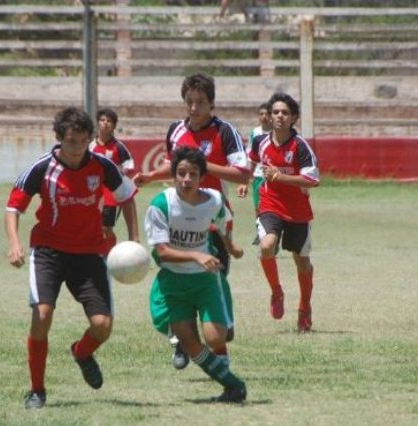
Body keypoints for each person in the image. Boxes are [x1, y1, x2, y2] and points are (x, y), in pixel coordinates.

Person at [5, 106, 139, 410]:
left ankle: (81, 352)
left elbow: (127, 197)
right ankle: (37, 390)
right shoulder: (42, 168)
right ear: (59, 139)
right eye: (70, 142)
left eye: (82, 141)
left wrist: (134, 241)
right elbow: (13, 208)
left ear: (89, 139)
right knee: (42, 316)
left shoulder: (102, 166)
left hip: (90, 253)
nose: (76, 148)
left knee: (103, 325)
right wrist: (14, 244)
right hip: (49, 252)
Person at [133, 73, 250, 370]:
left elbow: (242, 174)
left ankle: (221, 324)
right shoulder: (176, 130)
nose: (194, 108)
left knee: (215, 277)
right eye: (189, 102)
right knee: (179, 277)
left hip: (214, 218)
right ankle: (184, 343)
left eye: (200, 102)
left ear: (211, 104)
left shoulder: (225, 132)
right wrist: (150, 176)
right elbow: (174, 167)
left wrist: (201, 163)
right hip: (179, 219)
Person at [144, 146, 246, 403]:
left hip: (204, 280)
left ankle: (229, 382)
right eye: (181, 173)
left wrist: (230, 246)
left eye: (193, 174)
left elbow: (222, 222)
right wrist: (196, 255)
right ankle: (233, 386)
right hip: (173, 283)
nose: (186, 179)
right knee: (190, 344)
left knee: (216, 337)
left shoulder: (213, 200)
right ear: (173, 175)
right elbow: (163, 252)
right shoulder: (161, 204)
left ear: (202, 177)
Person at [249, 93, 319, 333]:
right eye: (276, 112)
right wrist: (244, 179)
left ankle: (304, 308)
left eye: (285, 113)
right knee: (267, 247)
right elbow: (251, 161)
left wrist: (282, 177)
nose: (279, 116)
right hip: (270, 205)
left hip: (298, 211)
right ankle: (276, 292)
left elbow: (312, 179)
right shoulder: (260, 142)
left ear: (293, 118)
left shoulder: (300, 146)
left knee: (302, 263)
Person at [89, 108, 136, 256]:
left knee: (106, 228)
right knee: (93, 226)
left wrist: (122, 172)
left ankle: (109, 254)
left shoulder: (119, 147)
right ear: (98, 124)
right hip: (92, 193)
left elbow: (130, 165)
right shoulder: (90, 146)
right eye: (102, 120)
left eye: (109, 121)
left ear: (114, 126)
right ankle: (96, 252)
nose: (105, 123)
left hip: (111, 195)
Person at [237, 102, 273, 245]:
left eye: (267, 114)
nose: (264, 117)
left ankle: (273, 232)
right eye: (261, 114)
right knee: (258, 206)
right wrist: (245, 179)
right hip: (258, 175)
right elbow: (249, 155)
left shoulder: (278, 133)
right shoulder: (255, 133)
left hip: (273, 177)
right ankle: (261, 232)